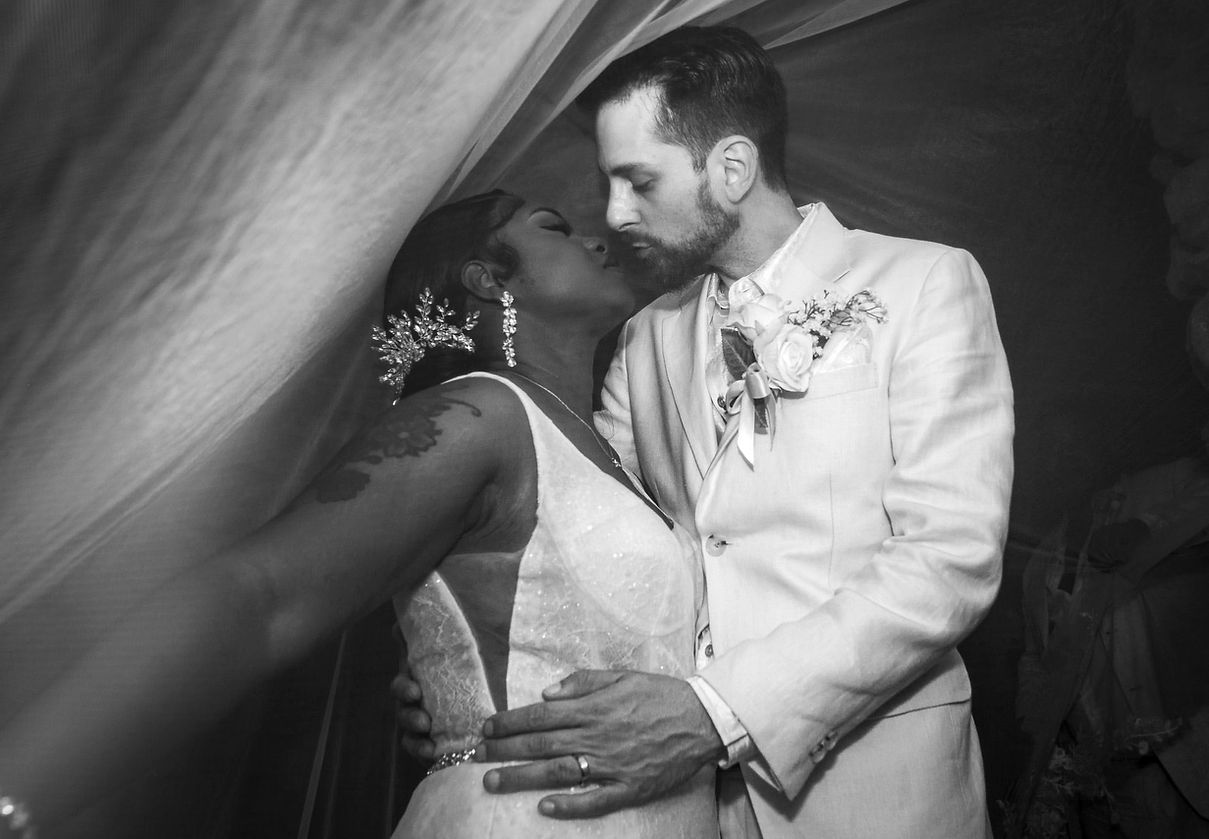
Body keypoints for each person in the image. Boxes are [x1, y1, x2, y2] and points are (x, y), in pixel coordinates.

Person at [397, 25, 1015, 838]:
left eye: (637, 180)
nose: (614, 214)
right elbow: (590, 540)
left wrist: (715, 711)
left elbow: (949, 557)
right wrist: (472, 666)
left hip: (875, 790)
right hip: (678, 803)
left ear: (731, 168)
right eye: (607, 183)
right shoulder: (646, 336)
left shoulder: (923, 282)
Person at [0, 191, 719, 839]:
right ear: (488, 279)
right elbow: (261, 597)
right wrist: (22, 793)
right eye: (554, 227)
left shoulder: (609, 442)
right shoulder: (475, 417)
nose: (595, 238)